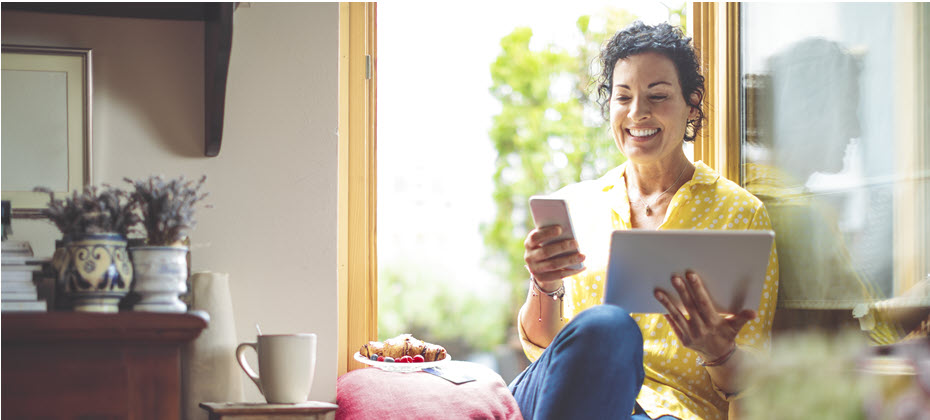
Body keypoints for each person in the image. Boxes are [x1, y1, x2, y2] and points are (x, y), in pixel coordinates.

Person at [508, 21, 779, 420]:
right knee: (607, 327)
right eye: (623, 97)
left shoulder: (739, 214)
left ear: (691, 103)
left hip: (670, 414)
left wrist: (718, 351)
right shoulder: (576, 205)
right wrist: (544, 284)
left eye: (658, 95)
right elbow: (546, 349)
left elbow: (750, 384)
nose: (638, 113)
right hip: (561, 398)